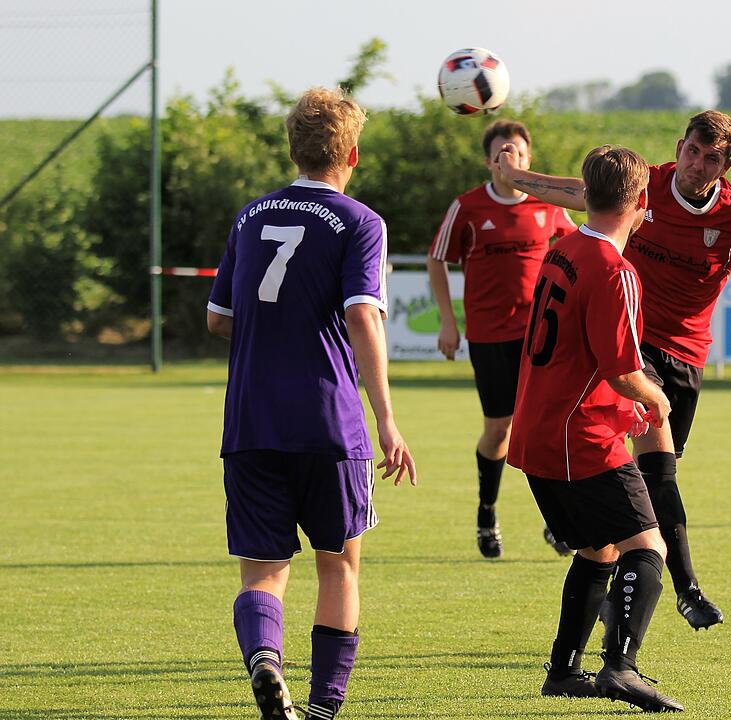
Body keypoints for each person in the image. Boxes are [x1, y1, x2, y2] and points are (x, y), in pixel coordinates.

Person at [498, 112, 731, 628]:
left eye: (712, 159)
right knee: (658, 469)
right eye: (692, 152)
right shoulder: (646, 187)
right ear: (680, 147)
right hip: (631, 349)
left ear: (725, 166)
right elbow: (582, 191)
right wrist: (517, 179)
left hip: (685, 355)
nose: (697, 165)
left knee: (649, 474)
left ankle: (597, 545)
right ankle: (687, 588)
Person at [207, 87, 417, 720]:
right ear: (351, 152)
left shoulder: (250, 215)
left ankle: (266, 662)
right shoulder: (360, 222)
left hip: (250, 418)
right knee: (339, 564)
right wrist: (386, 419)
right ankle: (325, 708)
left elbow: (219, 320)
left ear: (292, 149)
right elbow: (361, 314)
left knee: (262, 571)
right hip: (329, 422)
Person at [508, 144, 682, 712]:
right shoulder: (615, 270)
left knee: (598, 550)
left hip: (540, 429)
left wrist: (622, 401)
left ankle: (562, 672)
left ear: (586, 192)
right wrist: (654, 398)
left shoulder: (564, 248)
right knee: (647, 546)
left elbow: (577, 358)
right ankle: (621, 668)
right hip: (576, 438)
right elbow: (622, 368)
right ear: (642, 199)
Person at [428, 120, 578, 559]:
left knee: (544, 429)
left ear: (529, 161)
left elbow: (582, 245)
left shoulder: (548, 207)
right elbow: (437, 260)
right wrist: (447, 322)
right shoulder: (468, 207)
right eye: (501, 153)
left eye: (518, 152)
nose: (510, 159)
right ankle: (486, 513)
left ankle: (556, 524)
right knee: (499, 430)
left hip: (540, 339)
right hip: (489, 336)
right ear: (489, 161)